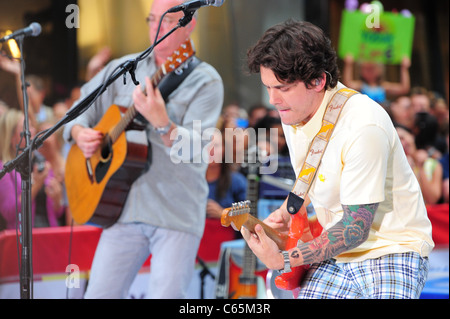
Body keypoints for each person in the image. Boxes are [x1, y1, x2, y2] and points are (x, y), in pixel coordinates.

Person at [241, 20, 434, 299]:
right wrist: (286, 212)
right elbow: (316, 174)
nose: (273, 99)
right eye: (268, 87)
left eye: (282, 88)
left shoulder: (363, 123)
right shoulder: (294, 111)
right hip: (336, 253)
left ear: (318, 80)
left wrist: (285, 259)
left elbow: (355, 229)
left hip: (392, 249)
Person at [62, 0, 223, 299]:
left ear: (189, 25)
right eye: (152, 20)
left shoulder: (206, 81)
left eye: (166, 21)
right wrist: (79, 132)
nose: (155, 29)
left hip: (175, 212)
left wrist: (163, 123)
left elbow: (198, 149)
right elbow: (77, 110)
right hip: (123, 209)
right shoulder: (123, 68)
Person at [0, 108, 49, 231]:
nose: (32, 131)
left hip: (50, 234)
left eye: (32, 126)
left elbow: (57, 212)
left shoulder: (40, 161)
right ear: (11, 138)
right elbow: (10, 213)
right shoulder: (4, 169)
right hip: (24, 239)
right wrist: (35, 185)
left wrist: (57, 198)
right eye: (25, 129)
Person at [342, 54, 411, 105]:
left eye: (372, 68)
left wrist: (404, 69)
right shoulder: (361, 85)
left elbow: (403, 88)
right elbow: (348, 84)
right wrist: (348, 65)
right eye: (366, 69)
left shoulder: (383, 86)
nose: (369, 72)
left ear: (380, 70)